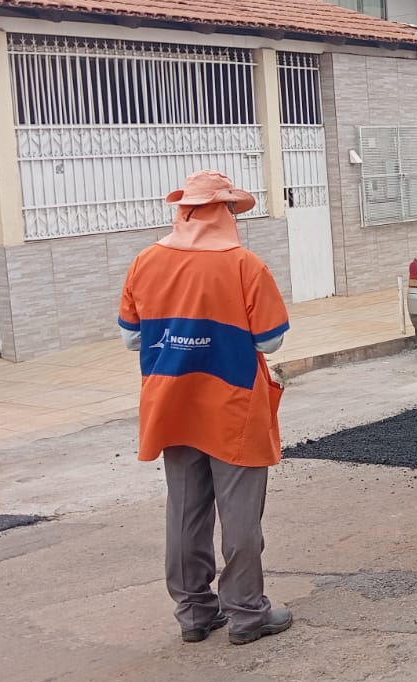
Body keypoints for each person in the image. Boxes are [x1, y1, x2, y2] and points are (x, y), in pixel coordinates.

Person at [117, 170, 293, 645]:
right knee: (240, 516)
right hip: (232, 405)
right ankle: (247, 614)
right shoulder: (245, 265)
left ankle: (194, 613)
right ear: (223, 211)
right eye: (232, 209)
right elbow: (270, 341)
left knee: (185, 510)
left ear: (186, 210)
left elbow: (132, 338)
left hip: (170, 403)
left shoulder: (145, 261)